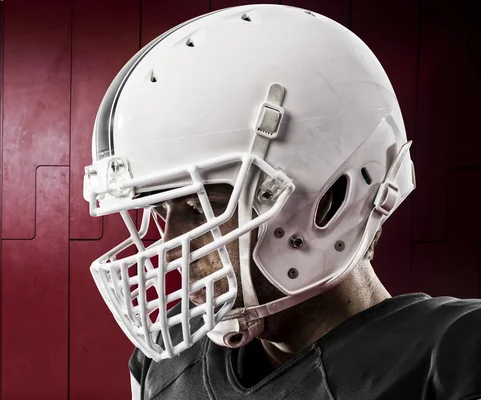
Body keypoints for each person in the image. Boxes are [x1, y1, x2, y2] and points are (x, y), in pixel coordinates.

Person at [82, 4, 481, 399]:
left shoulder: (454, 366)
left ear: (328, 203)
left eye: (200, 207)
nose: (169, 252)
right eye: (159, 211)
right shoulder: (166, 365)